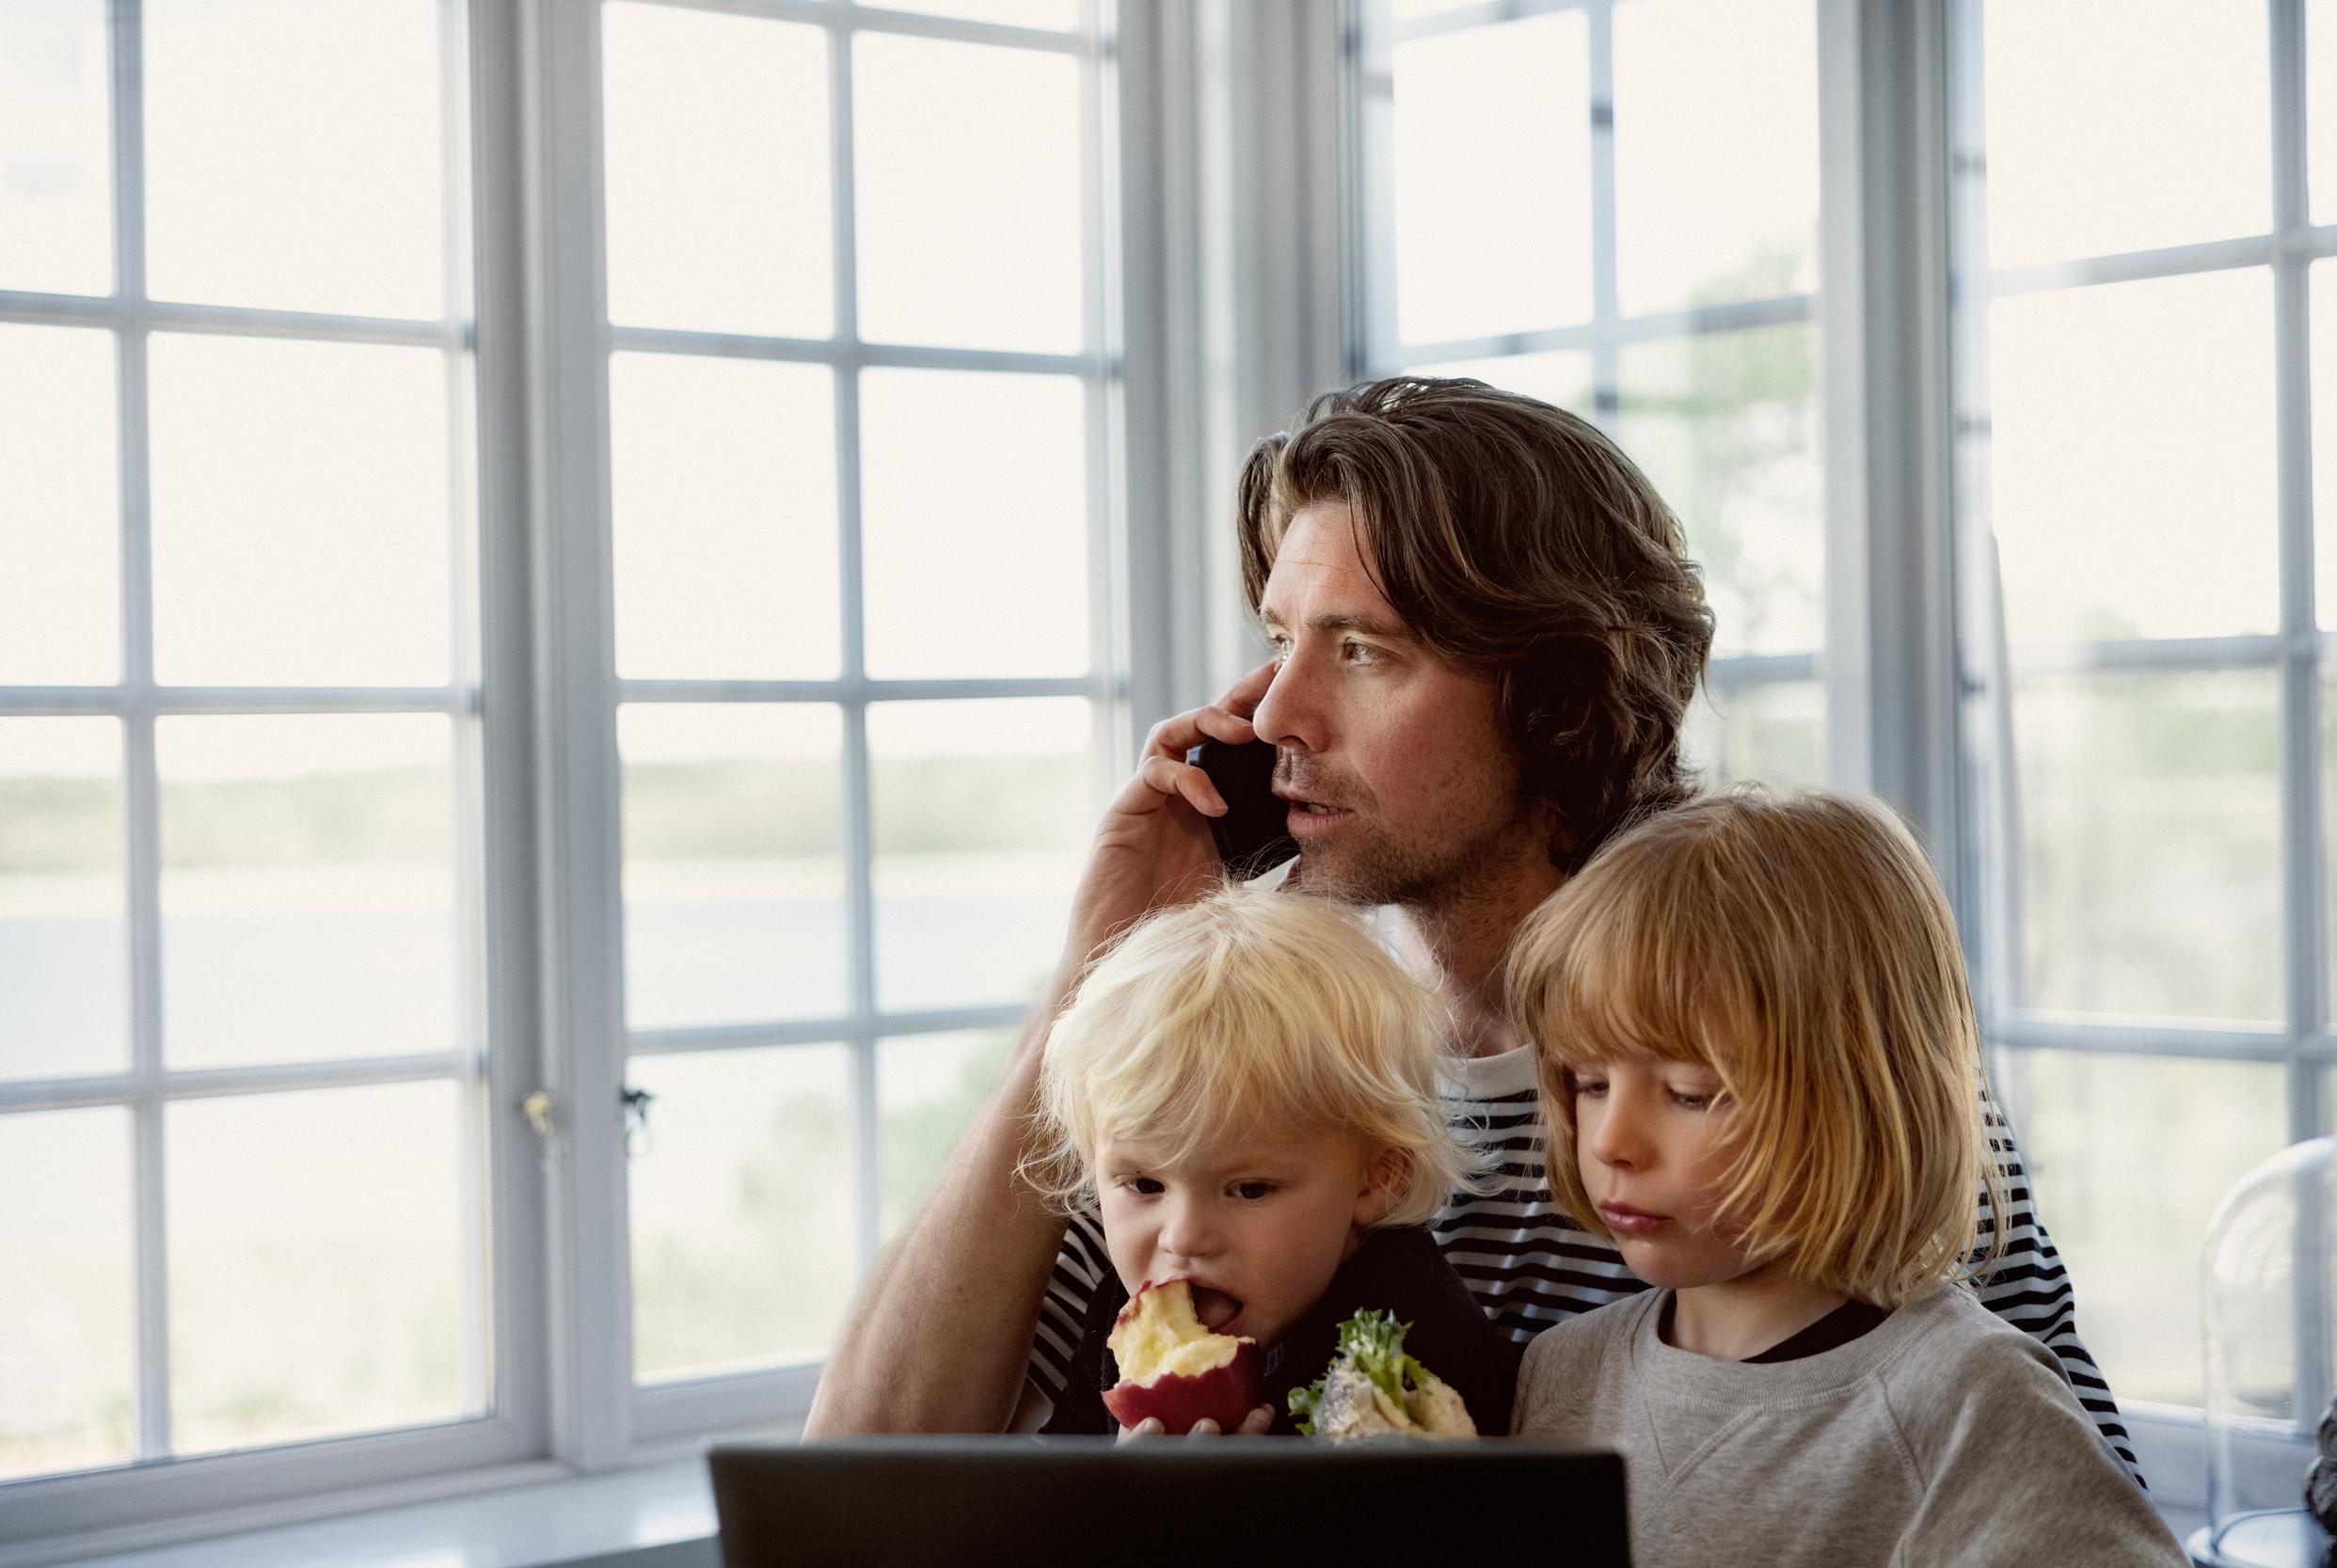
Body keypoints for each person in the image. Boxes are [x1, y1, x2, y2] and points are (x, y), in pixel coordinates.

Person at [805, 376, 2138, 1486]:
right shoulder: (1262, 1055)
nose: (1274, 716)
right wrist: (1098, 971)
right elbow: (864, 1462)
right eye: (1278, 639)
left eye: (1363, 651)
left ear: (1556, 694)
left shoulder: (1782, 1056)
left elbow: (2050, 1479)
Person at [1505, 790, 2182, 1564]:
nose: (1612, 1141)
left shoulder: (1971, 1403)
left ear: (1858, 1092)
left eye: (1692, 1093)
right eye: (1590, 1083)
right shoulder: (1560, 1375)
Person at [1021, 884, 1519, 1437]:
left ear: (1377, 1178)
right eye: (1143, 1185)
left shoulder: (1414, 1353)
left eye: (1249, 1189)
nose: (1183, 1239)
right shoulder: (1124, 1317)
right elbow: (1058, 1494)